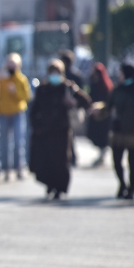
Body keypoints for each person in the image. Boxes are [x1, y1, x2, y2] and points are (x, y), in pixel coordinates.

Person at [29, 60, 91, 200]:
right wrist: (37, 127)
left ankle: (60, 188)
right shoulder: (43, 89)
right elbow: (34, 110)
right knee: (47, 160)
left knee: (61, 161)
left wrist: (73, 103)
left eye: (57, 73)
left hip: (62, 130)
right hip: (45, 131)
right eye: (52, 73)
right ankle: (50, 185)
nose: (54, 76)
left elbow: (86, 101)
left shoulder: (68, 87)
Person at [93, 62, 134, 199]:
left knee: (133, 163)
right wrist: (99, 111)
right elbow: (109, 107)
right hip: (118, 131)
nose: (119, 75)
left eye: (121, 72)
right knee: (117, 161)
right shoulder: (117, 90)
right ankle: (122, 184)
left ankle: (131, 189)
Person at [0, 53, 31, 181]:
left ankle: (19, 168)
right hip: (4, 113)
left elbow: (26, 97)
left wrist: (15, 92)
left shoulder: (21, 79)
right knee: (4, 143)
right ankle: (5, 169)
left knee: (18, 142)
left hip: (17, 113)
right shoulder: (2, 79)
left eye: (13, 64)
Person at [87, 63, 113, 168]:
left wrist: (100, 107)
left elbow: (109, 100)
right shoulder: (93, 83)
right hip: (94, 114)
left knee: (103, 135)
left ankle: (103, 154)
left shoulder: (106, 84)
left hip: (104, 114)